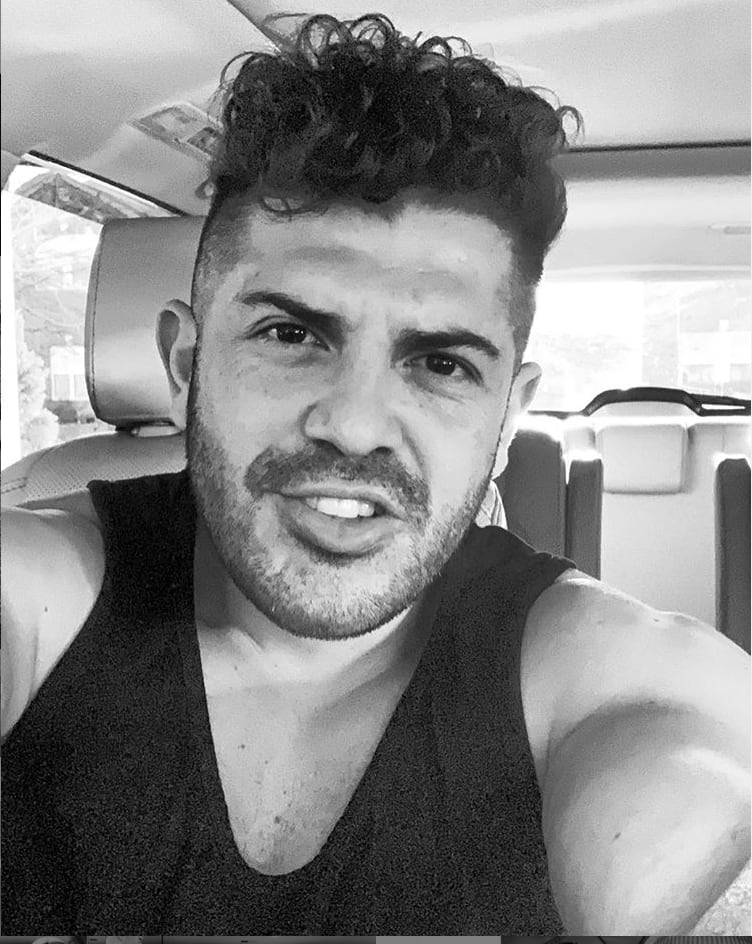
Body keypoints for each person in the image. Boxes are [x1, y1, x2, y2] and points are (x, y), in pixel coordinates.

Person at [1, 7, 749, 937]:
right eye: (290, 334)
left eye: (441, 363)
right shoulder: (42, 592)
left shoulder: (593, 674)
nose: (354, 426)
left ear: (508, 417)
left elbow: (699, 770)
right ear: (186, 365)